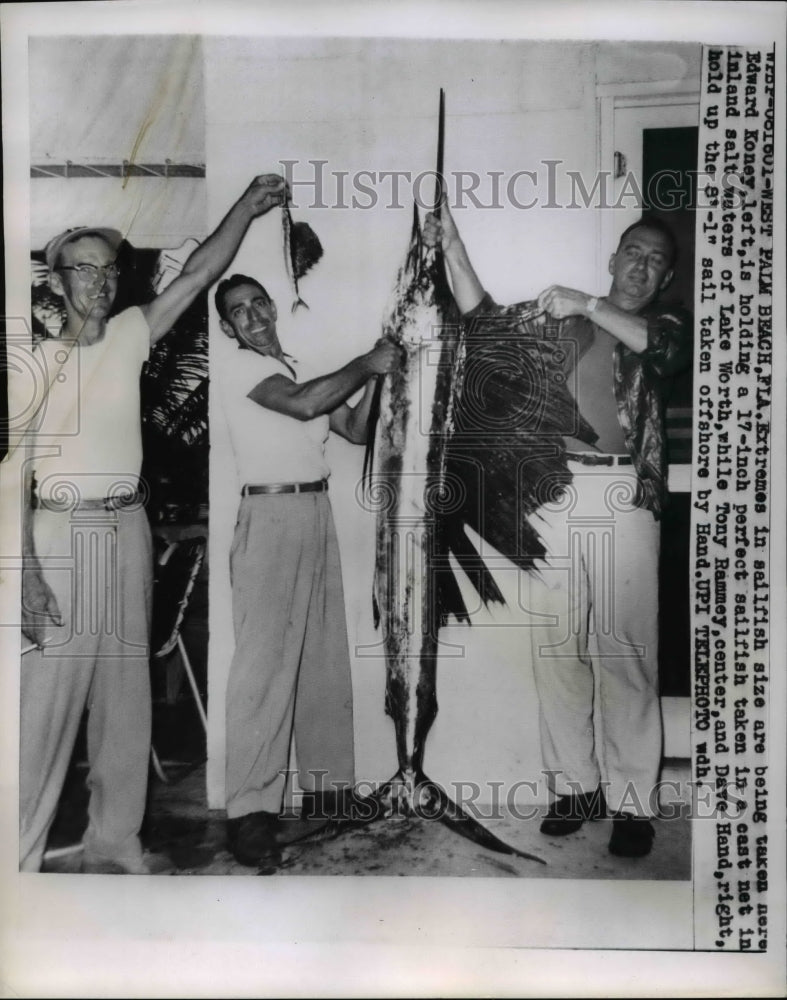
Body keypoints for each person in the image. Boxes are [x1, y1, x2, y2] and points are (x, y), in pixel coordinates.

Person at [20, 174, 289, 874]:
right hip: (60, 535)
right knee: (43, 710)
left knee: (123, 697)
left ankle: (116, 840)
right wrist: (24, 579)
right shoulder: (33, 362)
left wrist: (248, 205)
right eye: (83, 270)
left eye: (109, 270)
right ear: (56, 281)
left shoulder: (133, 335)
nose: (101, 283)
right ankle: (14, 859)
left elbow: (201, 270)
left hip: (126, 528)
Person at [424, 205, 692, 858]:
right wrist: (451, 244)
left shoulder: (660, 324)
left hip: (624, 491)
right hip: (552, 491)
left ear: (663, 279)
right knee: (556, 644)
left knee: (624, 649)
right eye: (632, 251)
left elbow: (662, 351)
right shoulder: (563, 319)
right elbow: (483, 320)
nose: (641, 264)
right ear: (612, 259)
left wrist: (586, 302)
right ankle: (575, 788)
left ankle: (632, 802)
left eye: (655, 259)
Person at [213, 274, 399, 868]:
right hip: (268, 515)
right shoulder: (242, 369)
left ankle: (330, 795)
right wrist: (366, 362)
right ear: (227, 327)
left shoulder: (293, 365)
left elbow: (353, 428)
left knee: (321, 658)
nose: (254, 315)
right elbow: (305, 405)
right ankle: (248, 814)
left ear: (272, 306)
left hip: (315, 508)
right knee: (263, 669)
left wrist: (381, 376)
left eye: (259, 303)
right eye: (239, 311)